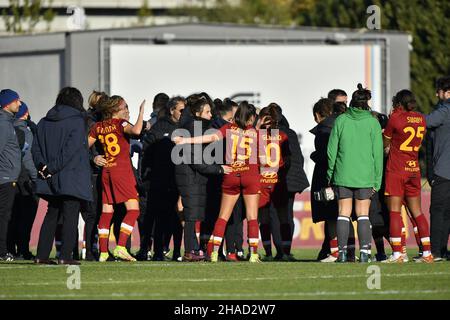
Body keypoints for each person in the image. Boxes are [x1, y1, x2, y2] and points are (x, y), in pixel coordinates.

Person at [175, 101, 262, 263]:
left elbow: (210, 138)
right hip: (250, 175)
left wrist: (186, 141)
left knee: (222, 216)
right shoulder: (255, 133)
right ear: (251, 118)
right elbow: (264, 160)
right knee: (252, 217)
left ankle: (213, 253)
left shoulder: (228, 128)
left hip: (231, 174)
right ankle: (254, 255)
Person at [32, 87, 92, 265]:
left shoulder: (43, 121)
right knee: (70, 215)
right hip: (70, 176)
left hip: (49, 177)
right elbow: (70, 150)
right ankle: (65, 255)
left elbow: (35, 149)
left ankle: (41, 255)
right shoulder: (77, 121)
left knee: (52, 214)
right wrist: (52, 168)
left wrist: (43, 167)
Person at [327, 83, 383, 263]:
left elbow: (331, 151)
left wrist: (330, 175)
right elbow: (378, 155)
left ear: (351, 102)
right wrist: (377, 181)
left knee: (343, 213)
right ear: (367, 103)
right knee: (363, 214)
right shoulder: (373, 122)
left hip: (343, 174)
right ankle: (365, 253)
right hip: (365, 176)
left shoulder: (341, 120)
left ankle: (342, 253)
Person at [88, 95, 145, 262]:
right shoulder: (120, 124)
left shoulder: (97, 127)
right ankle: (120, 247)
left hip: (106, 172)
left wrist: (94, 158)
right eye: (124, 108)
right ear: (114, 111)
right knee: (134, 210)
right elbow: (136, 131)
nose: (127, 111)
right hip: (122, 171)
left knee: (107, 212)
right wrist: (141, 113)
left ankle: (104, 252)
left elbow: (83, 146)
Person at [175, 96, 230, 261]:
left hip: (194, 177)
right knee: (191, 214)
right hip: (190, 177)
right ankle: (190, 251)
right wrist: (219, 169)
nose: (210, 114)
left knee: (194, 213)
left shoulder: (196, 126)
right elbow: (196, 160)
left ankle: (194, 249)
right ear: (198, 113)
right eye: (207, 112)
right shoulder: (194, 127)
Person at [381, 89, 432, 263]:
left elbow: (385, 143)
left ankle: (398, 254)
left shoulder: (395, 118)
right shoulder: (421, 118)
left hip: (397, 169)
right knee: (418, 212)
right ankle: (427, 253)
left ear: (399, 103)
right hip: (414, 169)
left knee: (394, 212)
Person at [141, 96, 185, 261]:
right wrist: (148, 175)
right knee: (159, 217)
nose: (183, 113)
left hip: (179, 178)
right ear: (172, 110)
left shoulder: (186, 127)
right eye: (181, 110)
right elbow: (147, 152)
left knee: (178, 217)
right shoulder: (159, 127)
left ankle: (177, 252)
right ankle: (157, 251)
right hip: (160, 179)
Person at [257, 104, 292, 261]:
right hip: (278, 181)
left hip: (262, 181)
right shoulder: (283, 135)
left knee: (264, 219)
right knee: (283, 217)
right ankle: (284, 252)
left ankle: (269, 253)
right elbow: (288, 160)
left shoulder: (257, 134)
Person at [309, 98, 340, 262]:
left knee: (331, 215)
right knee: (345, 215)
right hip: (349, 176)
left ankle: (335, 252)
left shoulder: (323, 130)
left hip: (329, 177)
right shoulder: (342, 125)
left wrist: (314, 155)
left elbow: (326, 156)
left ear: (317, 115)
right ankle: (351, 251)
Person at [7, 102, 39, 260]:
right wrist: (35, 177)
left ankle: (10, 249)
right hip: (24, 178)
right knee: (26, 217)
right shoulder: (25, 132)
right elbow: (27, 159)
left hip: (10, 177)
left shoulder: (8, 127)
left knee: (12, 216)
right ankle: (23, 250)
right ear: (25, 114)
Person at [80, 90, 109, 261]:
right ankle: (90, 249)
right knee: (92, 213)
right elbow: (85, 144)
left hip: (102, 170)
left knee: (101, 213)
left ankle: (97, 248)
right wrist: (93, 158)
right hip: (92, 172)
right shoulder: (89, 120)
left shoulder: (104, 120)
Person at [425, 76, 450, 261]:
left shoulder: (444, 110)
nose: (436, 94)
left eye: (439, 91)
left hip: (443, 170)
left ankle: (435, 251)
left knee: (438, 210)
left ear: (447, 93)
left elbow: (421, 122)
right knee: (447, 212)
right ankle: (443, 250)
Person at [0, 89, 22, 262]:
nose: (19, 104)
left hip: (8, 176)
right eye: (17, 101)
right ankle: (2, 251)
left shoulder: (7, 123)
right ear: (8, 104)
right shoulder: (3, 124)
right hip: (5, 178)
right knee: (4, 215)